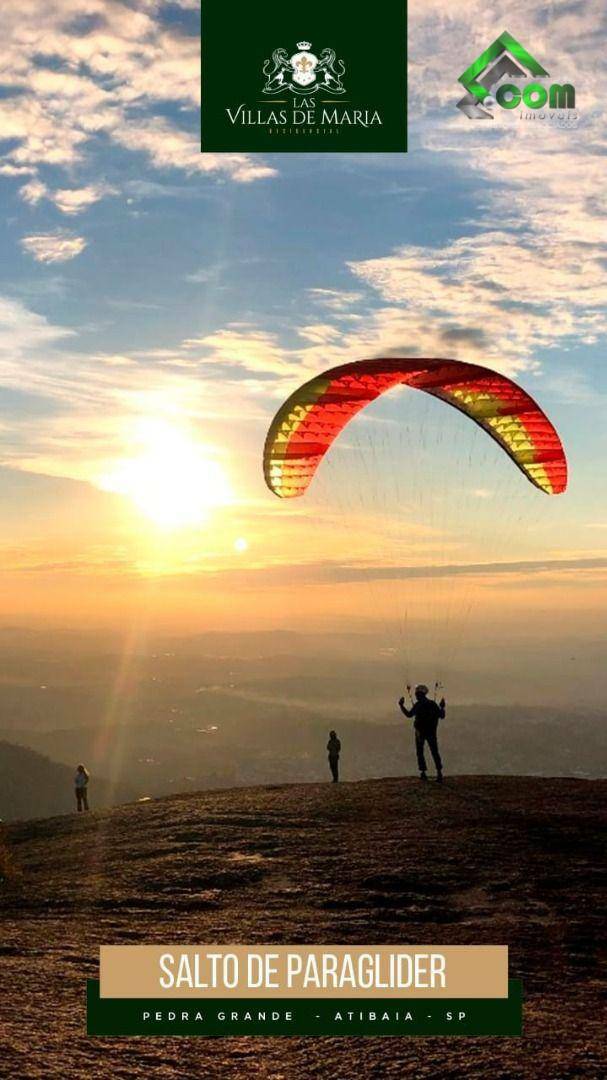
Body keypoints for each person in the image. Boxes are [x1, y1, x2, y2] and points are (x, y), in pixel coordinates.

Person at [398, 685, 445, 783]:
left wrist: (401, 705)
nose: (415, 696)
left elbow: (409, 715)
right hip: (431, 732)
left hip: (420, 732)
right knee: (434, 751)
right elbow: (442, 715)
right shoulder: (433, 704)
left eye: (416, 694)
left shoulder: (418, 705)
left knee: (420, 752)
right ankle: (439, 772)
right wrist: (442, 707)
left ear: (419, 694)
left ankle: (423, 772)